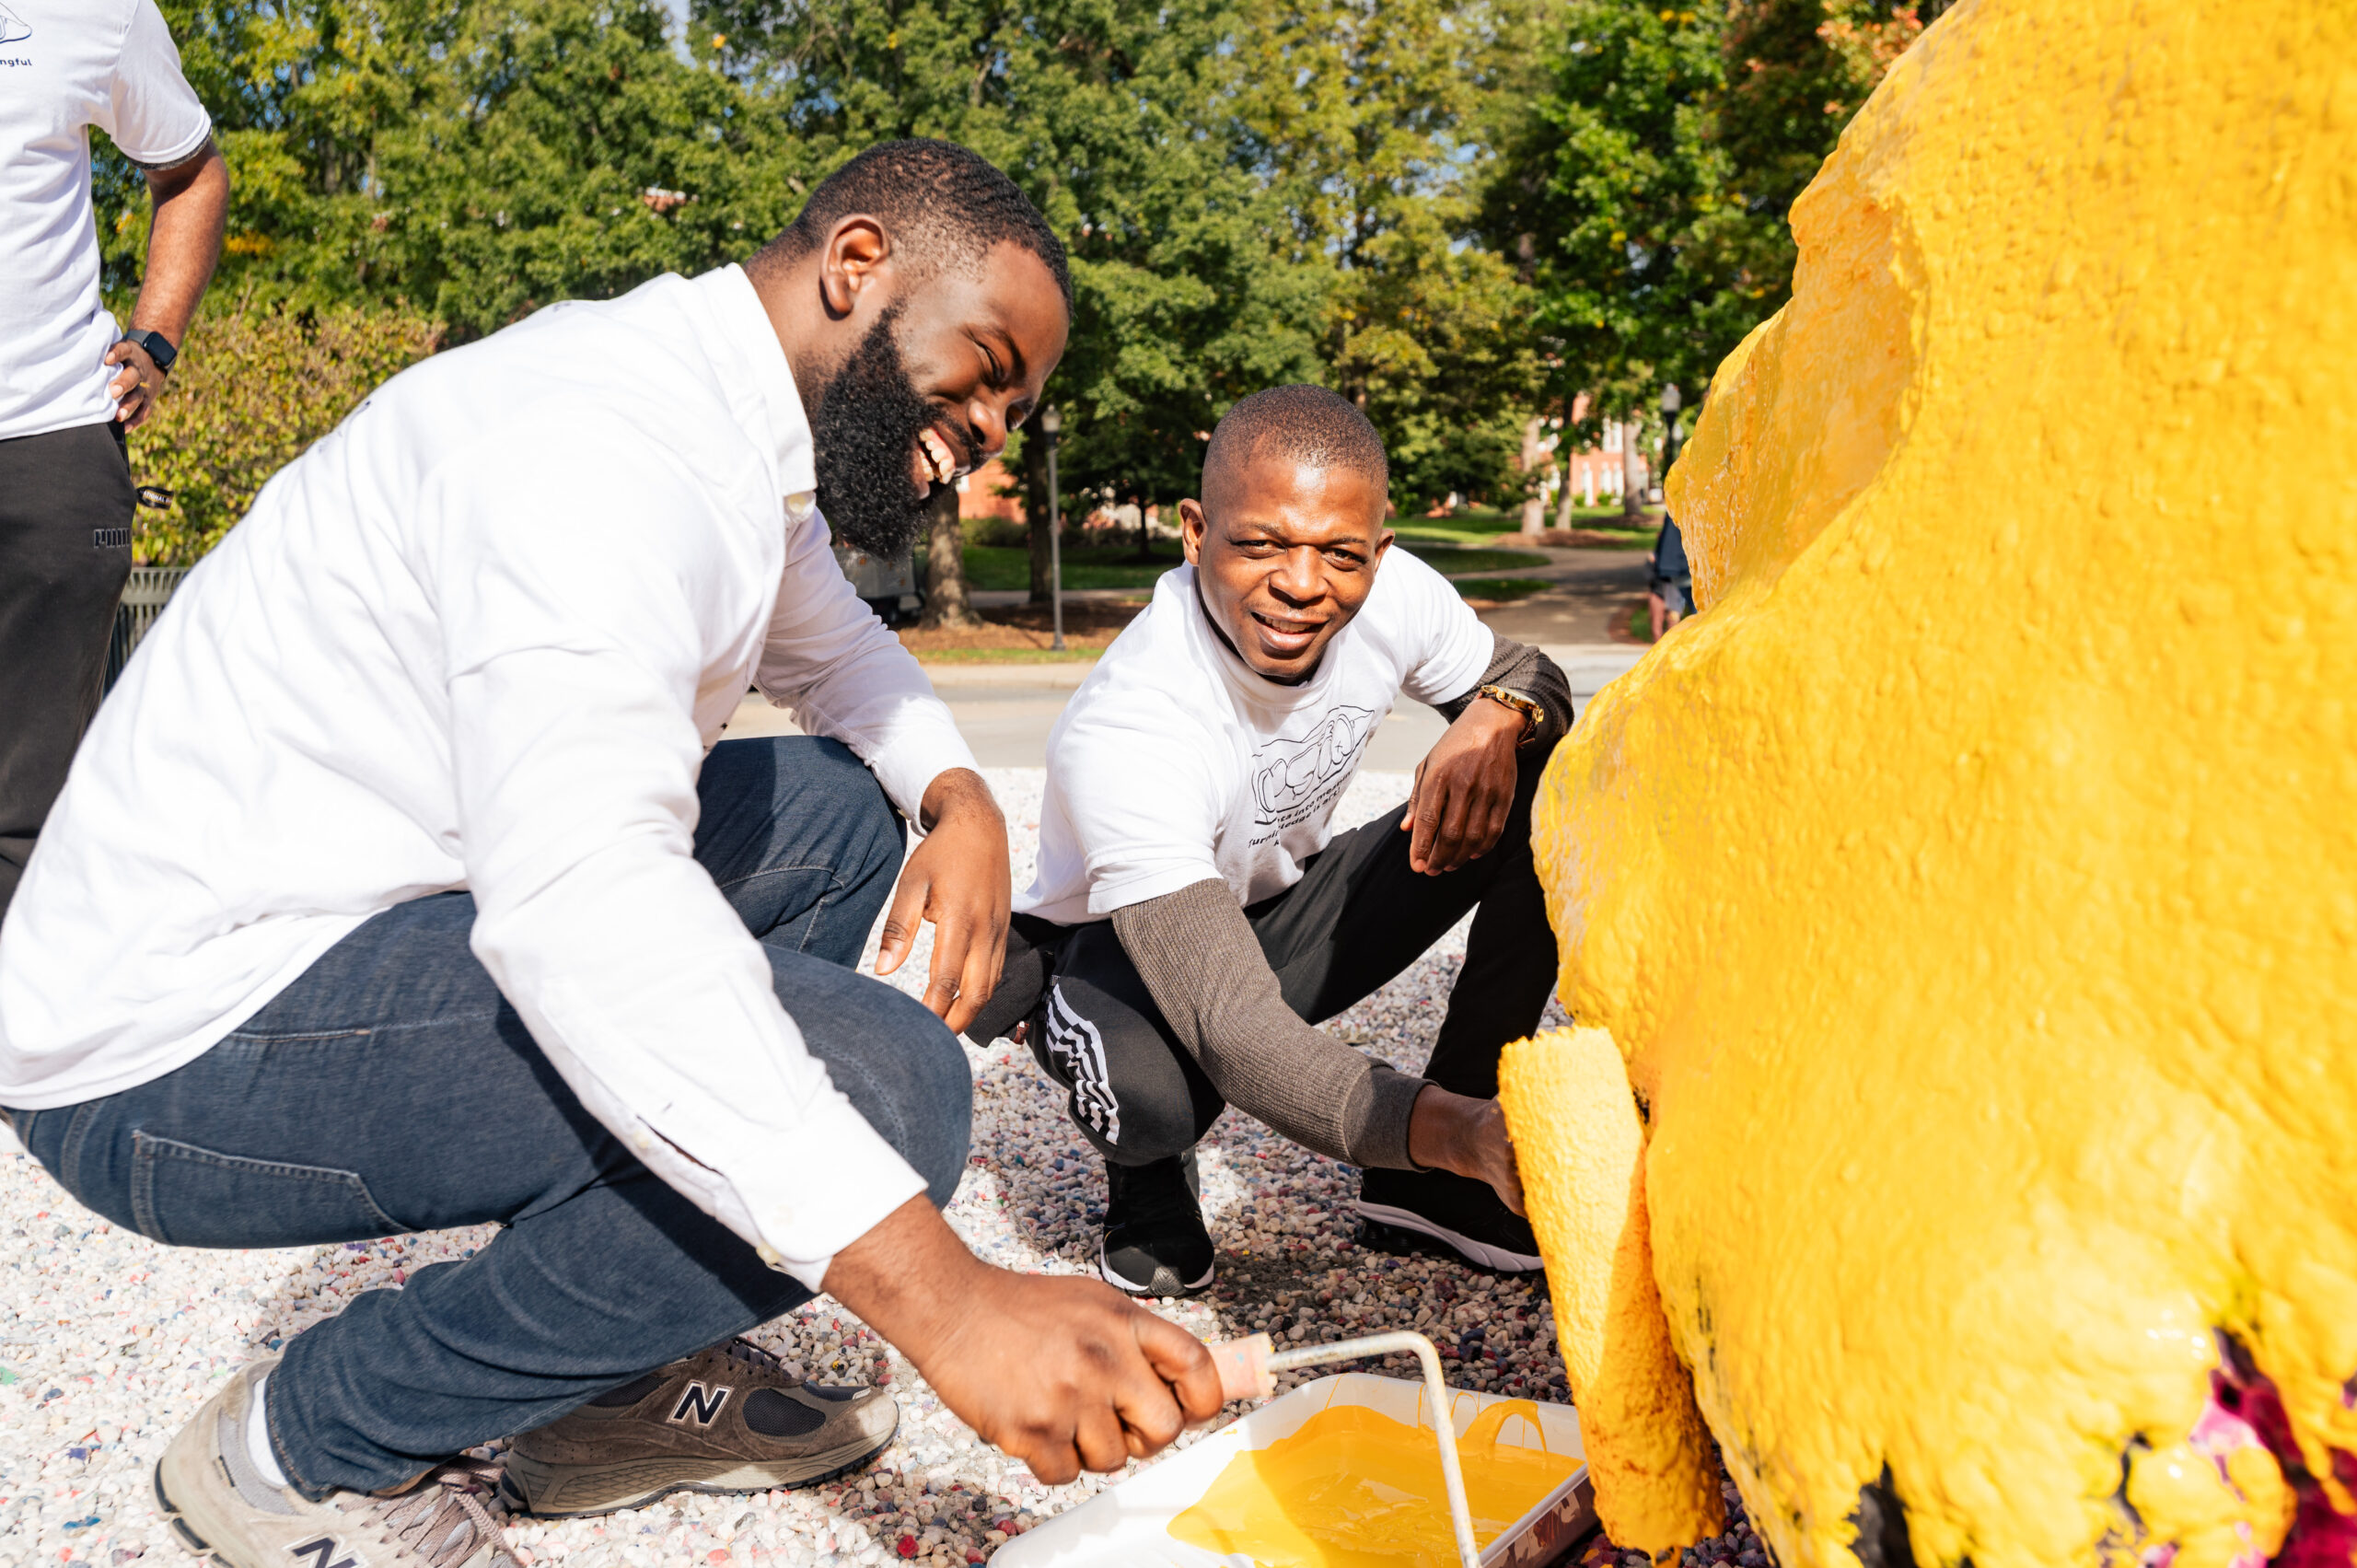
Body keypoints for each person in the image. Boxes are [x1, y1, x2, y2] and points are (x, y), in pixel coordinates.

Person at [0, 140, 1220, 1568]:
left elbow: (840, 655)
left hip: (339, 918)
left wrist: (963, 795)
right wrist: (945, 1299)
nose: (997, 427)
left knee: (836, 817)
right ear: (859, 263)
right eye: (990, 365)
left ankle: (584, 1376)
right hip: (158, 1044)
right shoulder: (602, 452)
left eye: (1020, 405)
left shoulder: (725, 420)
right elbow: (585, 907)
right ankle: (304, 1447)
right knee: (889, 1093)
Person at [968, 386, 1575, 1296]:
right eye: (1259, 543)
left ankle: (1440, 1192)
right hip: (1121, 939)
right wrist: (1459, 1131)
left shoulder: (1394, 595)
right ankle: (1134, 1147)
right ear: (1193, 530)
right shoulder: (1134, 723)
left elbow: (1532, 673)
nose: (1300, 583)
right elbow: (1237, 1031)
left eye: (1339, 553)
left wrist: (1497, 714)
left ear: (1380, 548)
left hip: (1280, 899)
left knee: (1547, 784)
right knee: (1160, 1093)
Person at [0, 0, 229, 921]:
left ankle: (31, 1055)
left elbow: (191, 173)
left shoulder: (96, 9)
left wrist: (157, 339)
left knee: (31, 819)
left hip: (49, 445)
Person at [1647, 513, 1694, 640]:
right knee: (1683, 610)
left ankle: (1669, 641)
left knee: (1675, 609)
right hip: (1682, 568)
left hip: (1672, 567)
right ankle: (1670, 641)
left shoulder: (1675, 508)